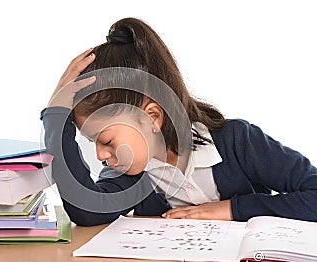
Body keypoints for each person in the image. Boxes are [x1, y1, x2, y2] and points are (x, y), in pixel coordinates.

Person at [41, 17, 317, 226]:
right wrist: (56, 118)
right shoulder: (130, 175)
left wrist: (232, 209)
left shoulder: (238, 141)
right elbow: (87, 210)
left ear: (151, 116)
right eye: (93, 143)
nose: (101, 155)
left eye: (106, 140)